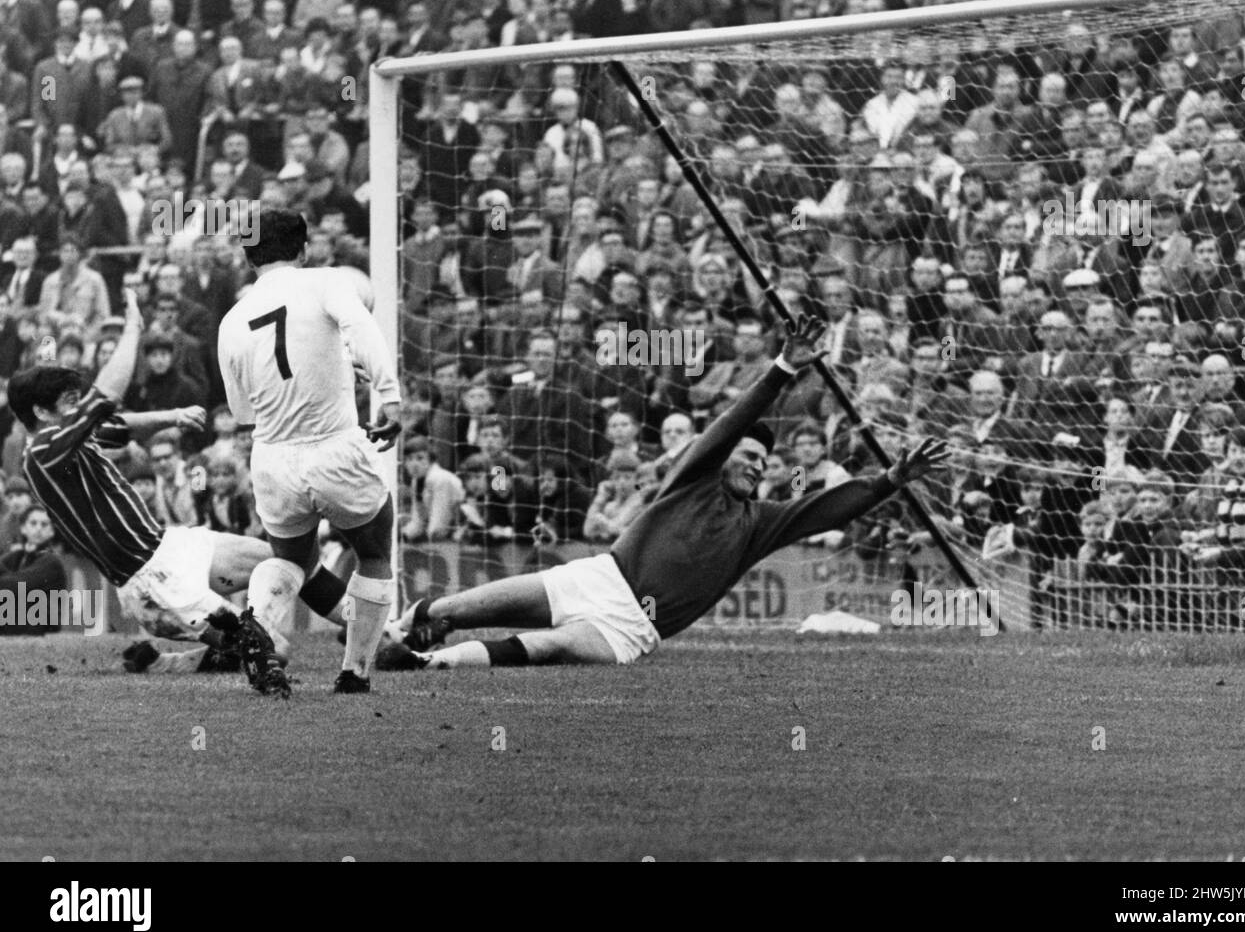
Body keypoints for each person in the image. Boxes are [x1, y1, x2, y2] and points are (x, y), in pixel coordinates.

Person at [393, 316, 947, 667]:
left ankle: (432, 665)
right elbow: (731, 422)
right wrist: (780, 370)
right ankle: (412, 623)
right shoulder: (693, 477)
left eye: (765, 463)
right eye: (749, 456)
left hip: (635, 625)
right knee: (478, 602)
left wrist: (888, 481)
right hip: (601, 574)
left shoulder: (759, 522)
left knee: (547, 648)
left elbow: (826, 509)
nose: (757, 467)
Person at [5, 289, 346, 681]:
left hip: (173, 545)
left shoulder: (68, 438)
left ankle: (375, 632)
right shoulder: (43, 450)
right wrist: (132, 325)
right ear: (41, 412)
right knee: (275, 651)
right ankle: (183, 660)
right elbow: (108, 398)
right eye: (68, 401)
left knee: (287, 559)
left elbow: (116, 424)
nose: (78, 407)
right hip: (153, 581)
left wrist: (174, 415)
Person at [217, 210, 401, 694]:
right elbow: (361, 329)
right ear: (302, 250)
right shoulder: (326, 281)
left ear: (248, 255)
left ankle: (259, 622)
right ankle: (354, 672)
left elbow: (241, 412)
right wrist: (389, 395)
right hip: (335, 446)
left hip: (273, 459)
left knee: (292, 559)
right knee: (375, 548)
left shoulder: (233, 319)